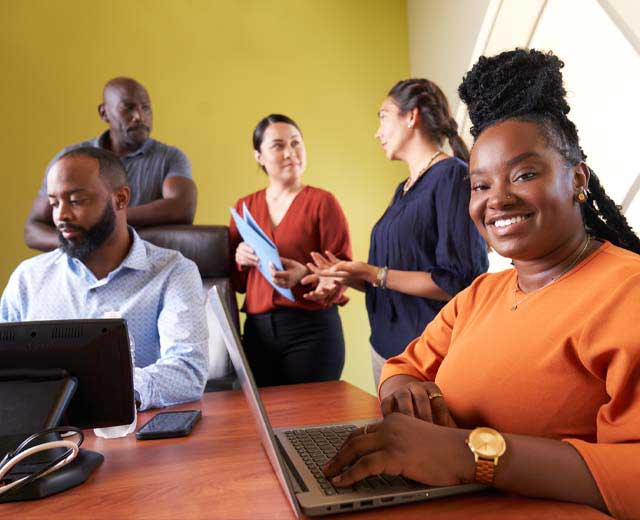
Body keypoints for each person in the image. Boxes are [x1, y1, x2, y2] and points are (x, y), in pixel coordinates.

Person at [322, 49, 640, 520]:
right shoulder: (481, 294)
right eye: (480, 185)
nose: (498, 200)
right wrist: (404, 391)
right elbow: (403, 365)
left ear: (577, 179)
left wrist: (470, 454)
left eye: (524, 174)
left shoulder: (627, 293)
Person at [309, 79, 488, 386]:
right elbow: (392, 279)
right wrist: (349, 275)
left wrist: (372, 272)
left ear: (411, 116)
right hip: (385, 350)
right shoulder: (402, 189)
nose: (377, 132)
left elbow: (457, 281)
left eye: (383, 116)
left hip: (426, 355)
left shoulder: (451, 176)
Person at [2, 147, 208, 410]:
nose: (61, 215)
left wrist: (105, 392)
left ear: (120, 199)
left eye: (76, 201)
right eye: (54, 203)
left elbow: (188, 372)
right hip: (41, 439)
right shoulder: (27, 278)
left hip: (133, 435)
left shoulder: (173, 272)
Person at [229, 114, 352, 386]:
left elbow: (344, 269)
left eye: (296, 143)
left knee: (311, 421)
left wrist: (305, 274)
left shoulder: (323, 202)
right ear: (259, 155)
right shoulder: (244, 207)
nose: (290, 153)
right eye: (278, 145)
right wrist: (240, 259)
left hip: (311, 329)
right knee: (266, 420)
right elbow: (237, 284)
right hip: (257, 332)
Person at [24, 77, 197, 252]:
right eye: (127, 108)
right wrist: (81, 244)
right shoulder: (69, 160)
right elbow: (33, 230)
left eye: (145, 108)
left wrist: (103, 221)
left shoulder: (170, 157)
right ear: (104, 113)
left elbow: (182, 208)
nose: (139, 117)